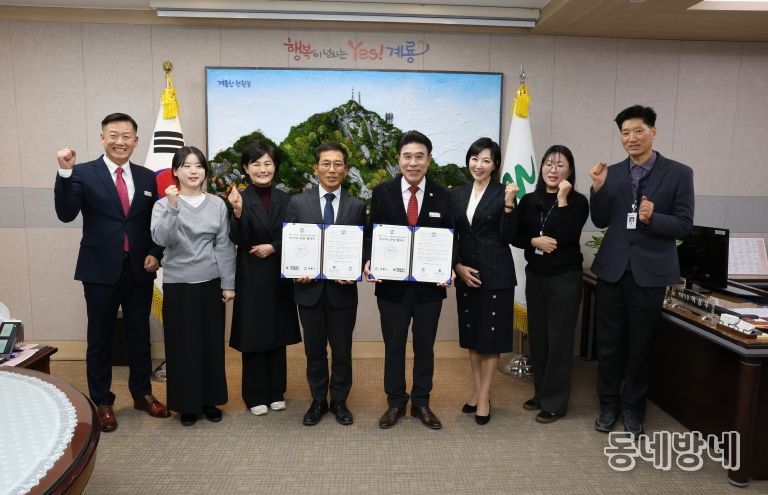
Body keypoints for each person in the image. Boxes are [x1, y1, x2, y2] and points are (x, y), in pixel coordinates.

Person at [54, 113, 169, 432]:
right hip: (99, 269)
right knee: (100, 337)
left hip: (139, 269)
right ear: (102, 138)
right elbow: (65, 214)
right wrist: (64, 172)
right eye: (114, 135)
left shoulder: (148, 177)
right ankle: (102, 400)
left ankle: (142, 394)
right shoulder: (82, 172)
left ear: (136, 141)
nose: (121, 141)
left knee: (139, 336)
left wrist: (154, 254)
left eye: (127, 136)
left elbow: (155, 225)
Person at [589, 105, 694, 436]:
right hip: (612, 270)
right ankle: (608, 404)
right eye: (624, 133)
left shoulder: (679, 173)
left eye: (637, 131)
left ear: (653, 132)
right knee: (609, 343)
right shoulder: (613, 172)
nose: (630, 138)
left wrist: (654, 218)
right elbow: (601, 219)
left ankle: (633, 408)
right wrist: (597, 188)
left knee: (641, 344)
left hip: (650, 272)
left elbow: (684, 224)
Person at [364, 130, 455, 430]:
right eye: (407, 156)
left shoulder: (443, 195)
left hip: (430, 288)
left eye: (419, 156)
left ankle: (422, 403)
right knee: (394, 346)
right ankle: (395, 403)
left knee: (425, 346)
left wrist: (450, 266)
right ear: (398, 159)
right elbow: (371, 233)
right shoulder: (382, 192)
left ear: (429, 160)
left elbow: (452, 238)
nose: (413, 163)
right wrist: (368, 260)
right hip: (391, 287)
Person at [151, 146, 236, 426]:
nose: (193, 171)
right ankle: (187, 404)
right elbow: (162, 239)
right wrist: (173, 208)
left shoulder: (217, 204)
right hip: (178, 283)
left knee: (211, 345)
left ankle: (209, 400)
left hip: (210, 282)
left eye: (198, 166)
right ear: (175, 171)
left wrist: (228, 284)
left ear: (205, 171)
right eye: (186, 166)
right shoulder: (164, 204)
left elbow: (224, 246)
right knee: (182, 346)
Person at [285, 142, 367, 426]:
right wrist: (296, 269)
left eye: (338, 164)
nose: (332, 170)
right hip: (308, 291)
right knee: (314, 350)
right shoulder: (297, 202)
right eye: (326, 163)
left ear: (346, 169)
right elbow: (290, 243)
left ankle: (340, 402)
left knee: (342, 350)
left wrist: (356, 268)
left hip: (343, 292)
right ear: (315, 168)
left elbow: (364, 247)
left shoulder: (357, 206)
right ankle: (318, 400)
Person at [512, 145, 589, 424]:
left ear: (570, 171)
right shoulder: (529, 199)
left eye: (560, 165)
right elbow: (516, 234)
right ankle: (542, 392)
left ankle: (555, 403)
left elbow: (568, 235)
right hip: (536, 276)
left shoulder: (578, 201)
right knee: (540, 338)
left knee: (558, 339)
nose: (553, 170)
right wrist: (534, 241)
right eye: (548, 164)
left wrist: (564, 198)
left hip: (564, 277)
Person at [228, 142, 301, 417]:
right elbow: (237, 238)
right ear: (246, 168)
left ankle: (276, 391)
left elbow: (294, 234)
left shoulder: (287, 199)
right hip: (251, 274)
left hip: (279, 273)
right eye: (256, 164)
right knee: (254, 333)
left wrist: (274, 247)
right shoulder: (238, 198)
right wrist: (236, 212)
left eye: (267, 163)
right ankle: (254, 394)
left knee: (276, 332)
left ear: (275, 166)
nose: (262, 169)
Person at [451, 137, 518, 425]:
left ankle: (483, 398)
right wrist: (457, 267)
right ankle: (479, 392)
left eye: (486, 160)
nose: (479, 165)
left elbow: (508, 237)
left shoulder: (505, 193)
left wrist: (508, 206)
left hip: (496, 275)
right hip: (466, 274)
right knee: (473, 338)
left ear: (495, 165)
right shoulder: (457, 193)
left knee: (490, 340)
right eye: (475, 158)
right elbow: (451, 234)